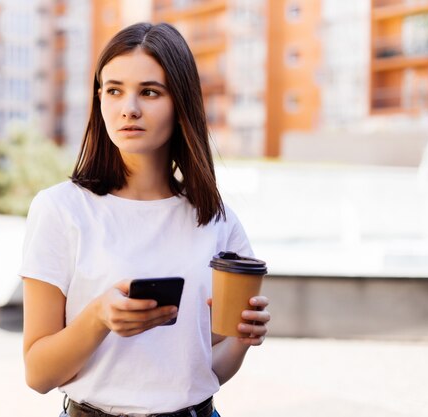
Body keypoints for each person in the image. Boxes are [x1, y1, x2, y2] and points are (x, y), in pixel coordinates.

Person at [19, 22, 270, 417]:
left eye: (149, 92)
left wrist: (241, 339)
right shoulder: (60, 210)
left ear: (181, 102)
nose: (128, 108)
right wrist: (99, 318)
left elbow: (205, 374)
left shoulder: (216, 220)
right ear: (99, 98)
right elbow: (38, 373)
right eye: (114, 90)